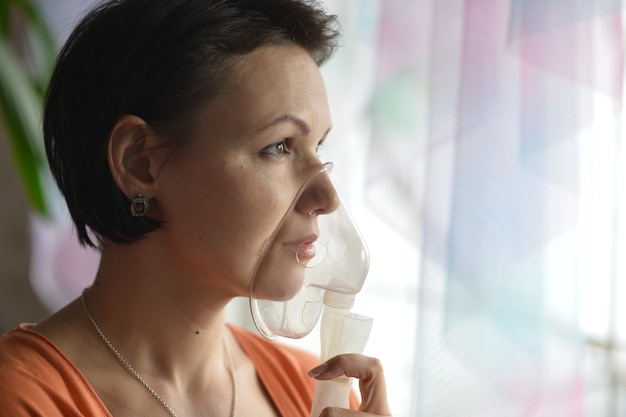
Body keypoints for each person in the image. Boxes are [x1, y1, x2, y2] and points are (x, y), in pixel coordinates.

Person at [0, 0, 392, 416]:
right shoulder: (23, 397)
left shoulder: (313, 389)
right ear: (140, 163)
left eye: (318, 147)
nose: (327, 198)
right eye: (278, 147)